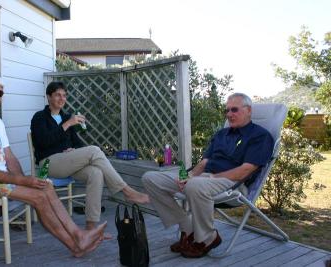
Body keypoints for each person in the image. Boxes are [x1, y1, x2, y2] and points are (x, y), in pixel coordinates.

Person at [0, 73, 106, 257]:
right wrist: (23, 181)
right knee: (39, 197)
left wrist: (26, 180)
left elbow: (9, 158)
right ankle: (75, 246)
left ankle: (78, 234)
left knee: (46, 186)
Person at [142, 93, 274, 258]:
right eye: (227, 111)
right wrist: (188, 178)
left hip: (232, 183)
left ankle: (207, 238)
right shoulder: (221, 134)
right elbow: (204, 163)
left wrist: (208, 179)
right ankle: (188, 228)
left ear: (248, 111)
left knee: (195, 185)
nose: (229, 114)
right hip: (203, 179)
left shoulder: (260, 136)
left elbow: (245, 170)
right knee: (151, 178)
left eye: (234, 110)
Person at [30, 81, 149, 230]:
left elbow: (78, 144)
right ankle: (126, 191)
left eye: (64, 95)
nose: (62, 99)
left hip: (68, 163)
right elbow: (43, 143)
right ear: (48, 97)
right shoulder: (39, 117)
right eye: (57, 95)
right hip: (48, 163)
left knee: (96, 173)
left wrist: (73, 150)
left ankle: (91, 226)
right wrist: (67, 124)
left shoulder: (67, 117)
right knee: (94, 150)